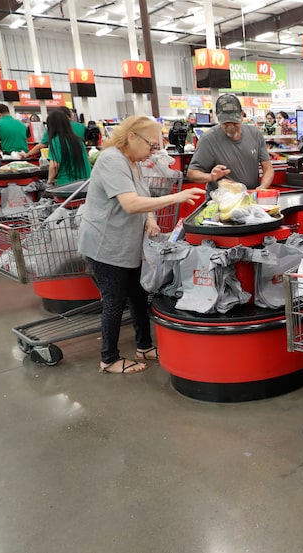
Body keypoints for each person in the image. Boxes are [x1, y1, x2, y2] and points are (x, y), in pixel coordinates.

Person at [77, 116, 205, 374]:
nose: (153, 151)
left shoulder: (132, 162)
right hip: (106, 245)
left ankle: (144, 346)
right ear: (132, 136)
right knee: (114, 299)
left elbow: (141, 196)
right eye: (151, 145)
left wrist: (150, 219)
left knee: (139, 295)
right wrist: (176, 197)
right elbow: (130, 203)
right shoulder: (112, 160)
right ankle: (109, 359)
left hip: (128, 244)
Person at [186, 93, 274, 191]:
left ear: (242, 115)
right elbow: (192, 173)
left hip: (250, 198)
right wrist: (211, 177)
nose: (231, 126)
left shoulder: (255, 134)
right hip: (222, 201)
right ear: (217, 115)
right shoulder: (208, 139)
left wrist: (262, 187)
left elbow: (268, 168)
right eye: (226, 123)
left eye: (234, 122)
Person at [44, 110, 92, 186]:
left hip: (67, 186)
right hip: (86, 184)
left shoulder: (56, 141)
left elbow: (54, 165)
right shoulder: (78, 140)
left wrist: (50, 180)